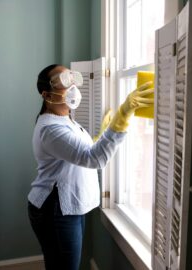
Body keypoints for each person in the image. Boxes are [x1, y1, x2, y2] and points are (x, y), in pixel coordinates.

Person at [27, 64, 154, 270]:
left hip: (67, 206)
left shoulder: (66, 120)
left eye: (72, 78)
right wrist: (122, 117)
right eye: (63, 81)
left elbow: (77, 152)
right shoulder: (50, 128)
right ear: (46, 94)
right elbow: (94, 159)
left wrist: (102, 135)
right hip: (55, 208)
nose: (73, 86)